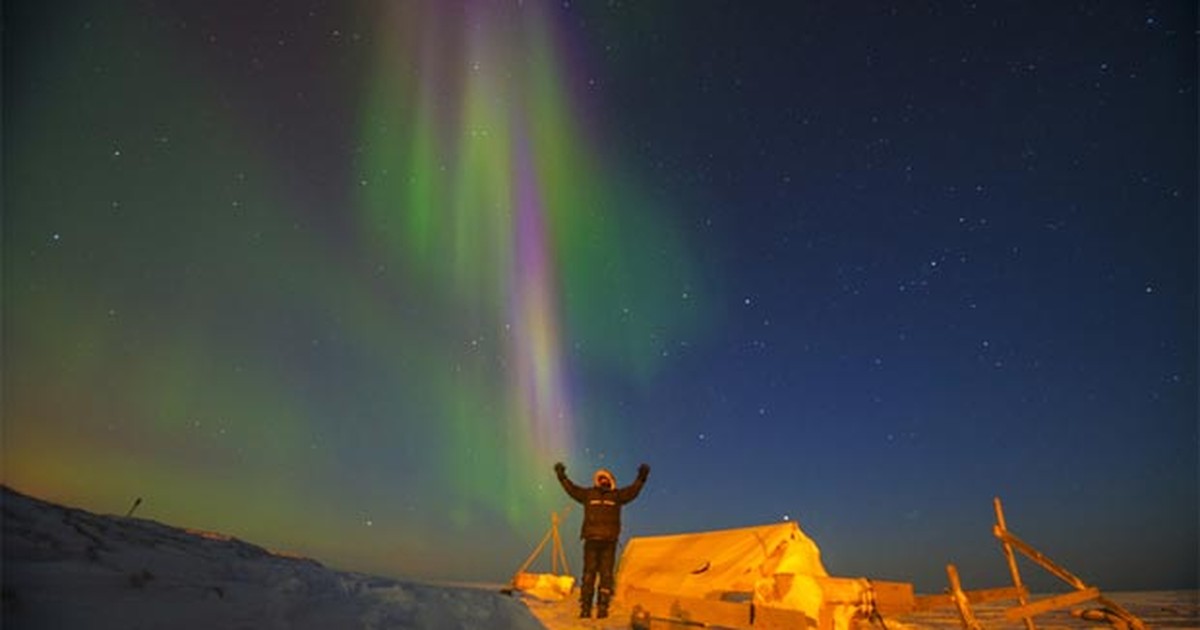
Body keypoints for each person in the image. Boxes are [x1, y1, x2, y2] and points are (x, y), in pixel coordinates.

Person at [554, 461, 650, 619]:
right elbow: (572, 490)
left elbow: (633, 491)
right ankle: (585, 607)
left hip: (609, 541)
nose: (603, 480)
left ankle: (602, 607)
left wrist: (641, 478)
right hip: (591, 540)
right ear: (596, 481)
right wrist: (562, 476)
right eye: (600, 478)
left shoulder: (617, 496)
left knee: (606, 575)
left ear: (611, 480)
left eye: (605, 478)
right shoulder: (588, 494)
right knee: (588, 575)